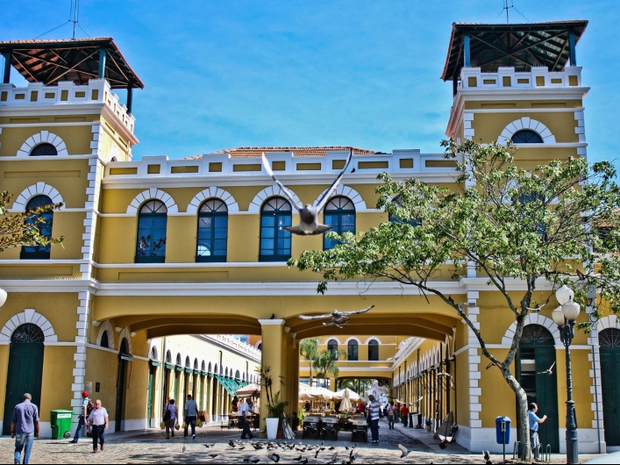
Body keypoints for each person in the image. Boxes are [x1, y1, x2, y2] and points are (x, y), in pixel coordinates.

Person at [11, 393, 39, 465]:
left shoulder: (17, 406)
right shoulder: (34, 407)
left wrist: (12, 431)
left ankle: (17, 460)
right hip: (30, 432)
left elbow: (13, 421)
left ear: (23, 398)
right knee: (27, 450)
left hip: (20, 430)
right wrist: (38, 432)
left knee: (18, 448)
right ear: (30, 399)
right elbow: (36, 421)